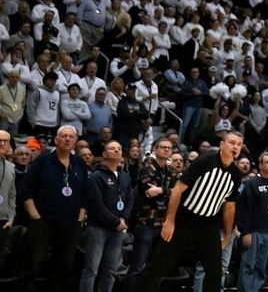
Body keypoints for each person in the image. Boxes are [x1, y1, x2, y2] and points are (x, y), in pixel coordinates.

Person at [134, 131, 245, 292]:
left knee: (214, 272)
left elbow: (229, 206)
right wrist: (170, 222)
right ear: (222, 145)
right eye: (232, 142)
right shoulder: (205, 161)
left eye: (239, 144)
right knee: (159, 266)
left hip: (208, 225)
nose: (235, 147)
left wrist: (228, 235)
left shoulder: (236, 174)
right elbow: (178, 190)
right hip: (183, 220)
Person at [19, 124, 89, 292]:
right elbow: (25, 189)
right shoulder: (43, 161)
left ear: (75, 141)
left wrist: (81, 214)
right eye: (63, 136)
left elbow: (86, 191)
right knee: (32, 264)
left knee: (64, 265)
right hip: (44, 221)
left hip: (70, 223)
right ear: (56, 140)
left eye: (71, 137)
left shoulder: (79, 163)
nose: (67, 139)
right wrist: (35, 216)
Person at [81, 140, 134, 292]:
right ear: (104, 154)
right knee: (92, 269)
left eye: (119, 148)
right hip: (98, 228)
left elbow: (129, 199)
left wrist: (123, 218)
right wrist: (116, 221)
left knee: (111, 270)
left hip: (117, 229)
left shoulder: (124, 176)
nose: (117, 151)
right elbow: (96, 204)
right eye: (112, 149)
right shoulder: (97, 175)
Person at [131, 138, 178, 279]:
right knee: (138, 266)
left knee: (157, 267)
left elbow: (179, 193)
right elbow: (149, 192)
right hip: (147, 221)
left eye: (169, 148)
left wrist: (161, 190)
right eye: (162, 147)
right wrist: (169, 191)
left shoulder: (173, 171)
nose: (166, 150)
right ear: (155, 150)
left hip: (164, 223)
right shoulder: (146, 169)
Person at [236, 152, 268, 292]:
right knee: (248, 265)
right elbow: (244, 209)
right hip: (253, 231)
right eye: (267, 162)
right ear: (260, 165)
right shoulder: (251, 183)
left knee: (261, 267)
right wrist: (245, 232)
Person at [0, 129, 17, 274]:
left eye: (5, 141)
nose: (2, 143)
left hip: (3, 220)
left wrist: (11, 217)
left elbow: (12, 195)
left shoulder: (11, 167)